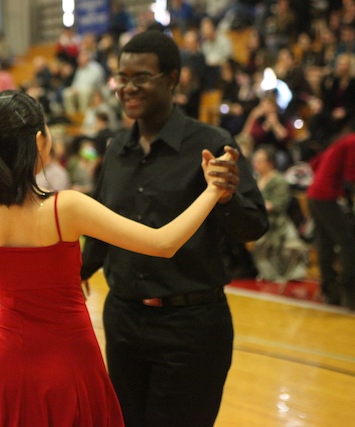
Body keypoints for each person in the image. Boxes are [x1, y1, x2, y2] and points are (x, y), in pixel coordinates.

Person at [0, 89, 236, 426]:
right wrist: (213, 190)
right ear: (40, 140)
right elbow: (164, 243)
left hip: (7, 368)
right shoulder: (65, 208)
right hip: (71, 364)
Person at [80, 31, 269, 427]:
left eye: (141, 77)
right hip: (125, 320)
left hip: (192, 327)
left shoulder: (213, 144)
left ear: (171, 79)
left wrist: (226, 196)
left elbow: (253, 226)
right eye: (122, 78)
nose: (128, 87)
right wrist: (73, 275)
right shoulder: (116, 149)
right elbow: (101, 228)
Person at [306, 130, 355, 308]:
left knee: (325, 243)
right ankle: (349, 290)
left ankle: (330, 290)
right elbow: (351, 176)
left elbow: (314, 163)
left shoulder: (341, 140)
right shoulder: (352, 141)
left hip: (314, 195)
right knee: (349, 244)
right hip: (325, 197)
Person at [250, 146, 308, 284]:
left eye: (259, 161)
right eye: (255, 161)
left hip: (275, 221)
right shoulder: (255, 178)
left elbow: (278, 205)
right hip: (256, 216)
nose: (255, 164)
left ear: (270, 163)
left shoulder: (279, 180)